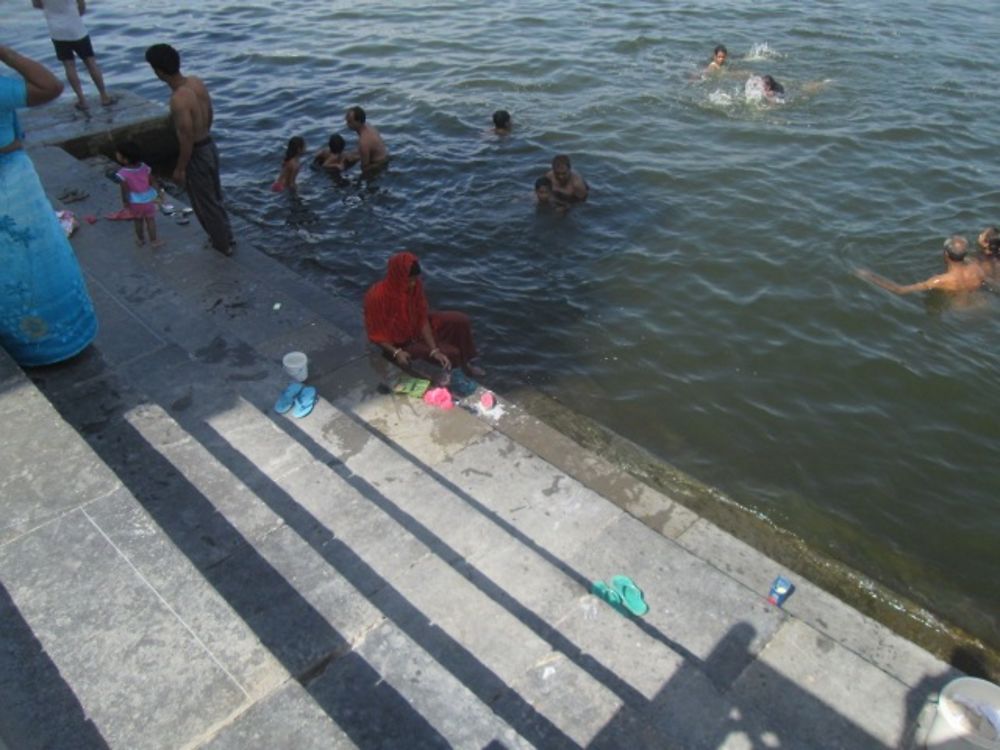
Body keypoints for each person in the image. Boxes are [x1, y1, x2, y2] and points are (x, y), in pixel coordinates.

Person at [0, 45, 97, 366]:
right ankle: (59, 340)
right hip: (13, 190)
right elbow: (50, 87)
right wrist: (6, 53)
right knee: (37, 260)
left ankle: (24, 342)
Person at [145, 43, 234, 256]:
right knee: (215, 197)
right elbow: (210, 113)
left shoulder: (178, 100)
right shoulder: (196, 82)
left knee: (205, 204)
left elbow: (186, 137)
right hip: (209, 144)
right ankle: (227, 237)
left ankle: (222, 247)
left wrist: (180, 168)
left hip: (197, 152)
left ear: (159, 71)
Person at [364, 251, 485, 378]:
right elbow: (375, 335)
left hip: (415, 327)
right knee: (451, 353)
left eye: (415, 280)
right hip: (399, 342)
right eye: (409, 281)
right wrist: (396, 352)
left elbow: (422, 318)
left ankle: (465, 364)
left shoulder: (415, 287)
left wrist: (434, 350)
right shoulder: (377, 297)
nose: (413, 284)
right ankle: (458, 373)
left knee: (460, 320)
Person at [32, 0, 114, 111]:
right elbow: (81, 6)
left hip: (57, 31)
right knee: (90, 62)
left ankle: (82, 100)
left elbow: (36, 5)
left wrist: (52, 9)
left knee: (69, 66)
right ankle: (104, 96)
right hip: (76, 28)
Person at [855, 235, 986, 295]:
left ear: (946, 254)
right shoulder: (977, 267)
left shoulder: (939, 281)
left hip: (958, 315)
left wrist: (869, 275)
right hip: (981, 307)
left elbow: (900, 290)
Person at [114, 140, 163, 247]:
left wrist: (125, 202)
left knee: (138, 221)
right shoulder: (145, 167)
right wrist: (157, 193)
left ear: (125, 159)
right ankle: (154, 241)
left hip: (135, 201)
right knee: (150, 220)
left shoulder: (122, 174)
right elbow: (153, 181)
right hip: (149, 199)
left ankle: (141, 240)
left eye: (118, 154)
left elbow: (125, 190)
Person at [345, 105, 388, 173]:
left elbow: (365, 168)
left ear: (358, 122)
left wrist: (356, 160)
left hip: (378, 166)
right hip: (383, 157)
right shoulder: (368, 126)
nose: (347, 124)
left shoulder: (363, 142)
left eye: (350, 122)